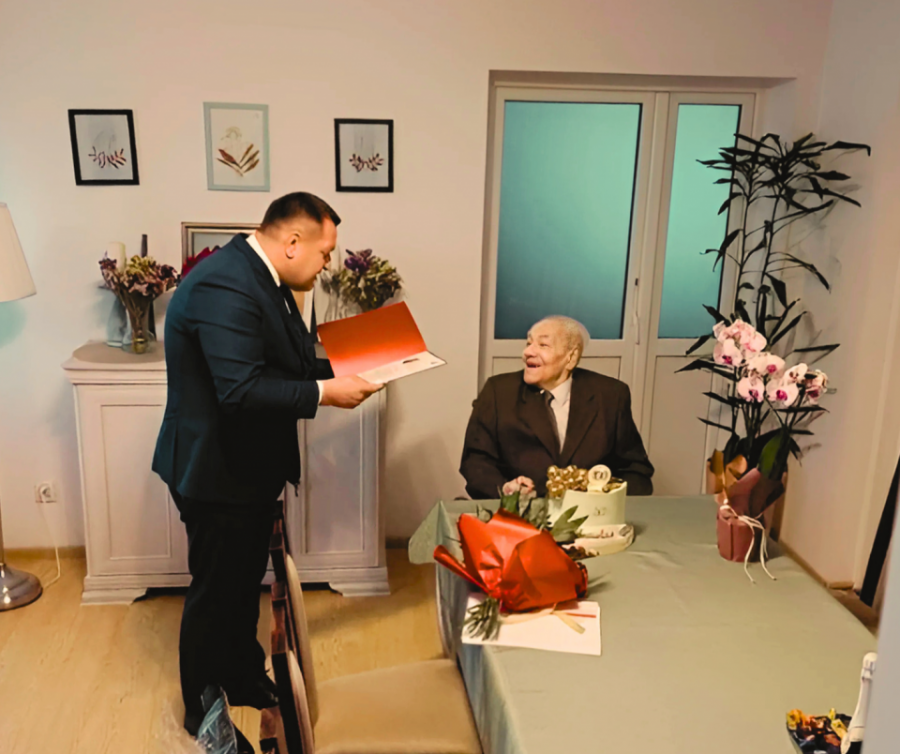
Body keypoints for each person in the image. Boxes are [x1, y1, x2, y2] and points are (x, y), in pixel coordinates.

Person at [152, 192, 382, 738]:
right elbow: (240, 390)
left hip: (248, 467)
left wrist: (365, 359)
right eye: (325, 252)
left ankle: (242, 676)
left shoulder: (266, 278)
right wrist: (326, 393)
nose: (328, 263)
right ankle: (202, 710)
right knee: (215, 590)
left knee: (242, 583)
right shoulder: (225, 283)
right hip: (214, 469)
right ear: (293, 242)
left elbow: (293, 360)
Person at [460, 315, 653, 499]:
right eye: (528, 343)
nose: (528, 352)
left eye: (543, 345)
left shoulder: (611, 395)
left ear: (571, 357)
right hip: (519, 514)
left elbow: (636, 469)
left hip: (592, 515)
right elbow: (475, 462)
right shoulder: (498, 392)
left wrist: (606, 498)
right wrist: (506, 491)